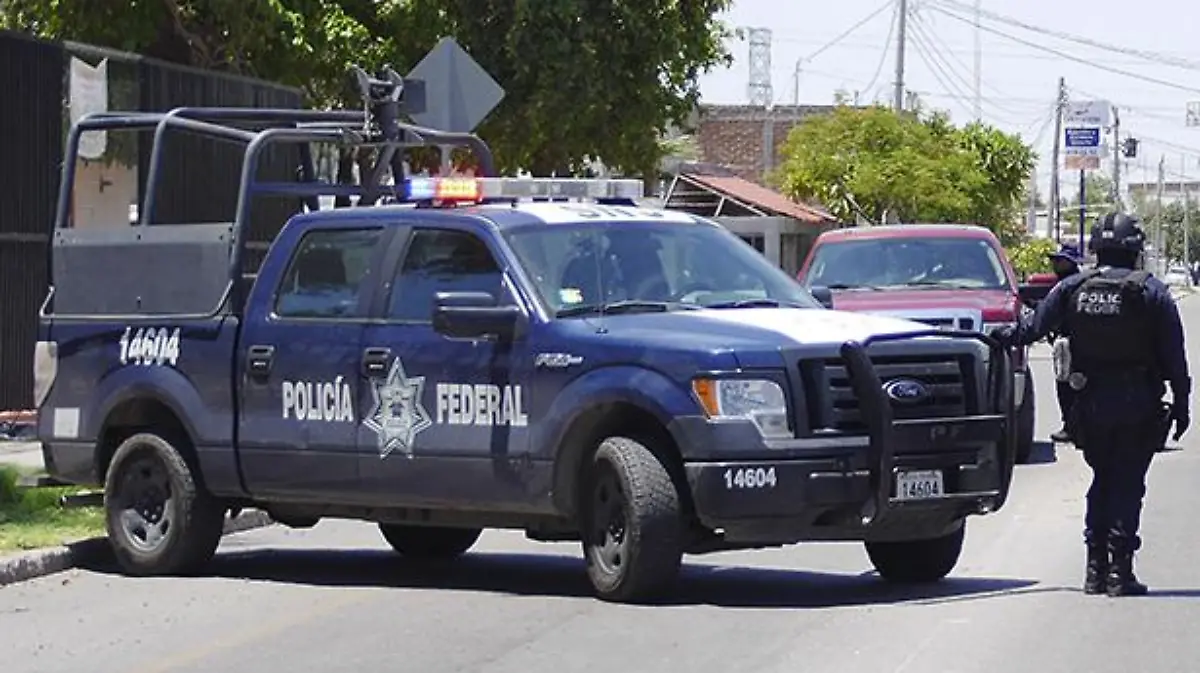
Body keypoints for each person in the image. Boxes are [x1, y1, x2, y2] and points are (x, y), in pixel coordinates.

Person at [993, 212, 1191, 597]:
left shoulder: (1071, 288)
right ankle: (1119, 572)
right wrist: (1182, 403)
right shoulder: (1152, 292)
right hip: (1137, 403)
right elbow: (1174, 357)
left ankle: (1094, 568)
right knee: (1126, 483)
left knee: (1102, 480)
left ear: (1096, 250)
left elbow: (1030, 330)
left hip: (1088, 404)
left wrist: (993, 336)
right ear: (1135, 251)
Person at [1047, 243, 1085, 443]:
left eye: (1059, 260)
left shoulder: (1071, 284)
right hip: (1066, 340)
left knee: (1069, 385)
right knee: (1066, 384)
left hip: (1072, 340)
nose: (1054, 264)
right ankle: (1072, 424)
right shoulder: (1061, 283)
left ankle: (1072, 426)